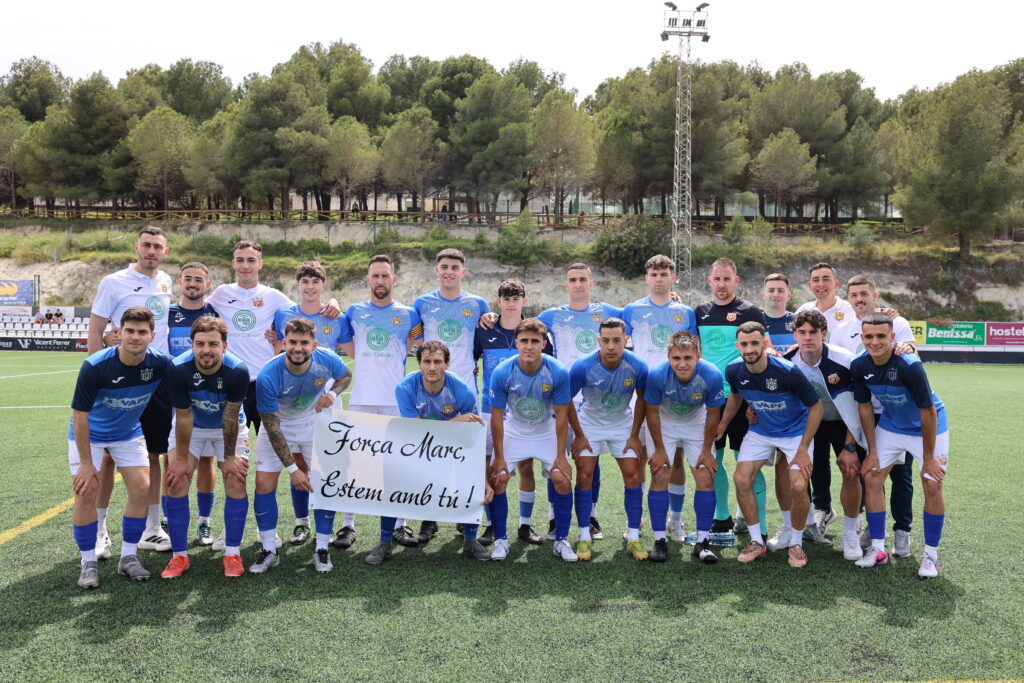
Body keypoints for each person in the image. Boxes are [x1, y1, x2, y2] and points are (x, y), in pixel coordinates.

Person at [69, 307, 173, 588]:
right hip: (90, 435)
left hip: (127, 433)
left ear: (152, 336)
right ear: (119, 332)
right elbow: (80, 416)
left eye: (142, 332)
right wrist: (87, 463)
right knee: (85, 491)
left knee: (142, 488)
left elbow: (187, 372)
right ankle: (88, 561)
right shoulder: (95, 366)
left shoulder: (161, 363)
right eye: (130, 331)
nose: (135, 337)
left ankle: (128, 557)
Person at [88, 226, 174, 557]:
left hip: (156, 379)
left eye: (158, 246)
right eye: (147, 245)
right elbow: (96, 328)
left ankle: (151, 529)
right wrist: (98, 373)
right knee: (108, 457)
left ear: (165, 251)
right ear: (136, 247)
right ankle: (99, 531)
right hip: (119, 379)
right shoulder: (113, 282)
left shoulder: (166, 281)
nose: (152, 251)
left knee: (154, 453)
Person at [716, 321, 822, 567]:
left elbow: (816, 407)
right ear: (737, 346)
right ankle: (756, 541)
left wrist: (803, 448)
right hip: (761, 431)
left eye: (755, 343)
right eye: (744, 344)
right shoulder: (733, 370)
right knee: (742, 479)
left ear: (764, 343)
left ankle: (796, 543)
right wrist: (722, 425)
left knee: (798, 486)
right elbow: (735, 395)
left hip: (795, 432)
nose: (749, 349)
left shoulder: (787, 371)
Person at [852, 313, 949, 579]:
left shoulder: (910, 365)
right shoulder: (859, 365)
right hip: (892, 426)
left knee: (932, 483)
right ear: (862, 338)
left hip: (928, 427)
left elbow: (928, 411)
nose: (874, 342)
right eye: (869, 336)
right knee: (872, 477)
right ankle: (877, 548)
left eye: (881, 336)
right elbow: (864, 407)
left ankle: (931, 556)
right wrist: (872, 452)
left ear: (892, 337)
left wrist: (928, 458)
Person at [250, 318, 351, 574]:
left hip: (312, 423)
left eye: (304, 343)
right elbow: (272, 428)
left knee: (324, 481)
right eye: (292, 342)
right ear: (284, 343)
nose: (298, 348)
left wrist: (332, 394)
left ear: (314, 345)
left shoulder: (326, 359)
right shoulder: (268, 375)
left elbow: (345, 375)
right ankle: (269, 549)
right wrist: (293, 469)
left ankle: (322, 547)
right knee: (263, 484)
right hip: (279, 426)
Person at [337, 254, 423, 550]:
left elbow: (418, 345)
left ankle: (400, 524)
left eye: (385, 275)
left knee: (397, 465)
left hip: (396, 401)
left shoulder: (409, 315)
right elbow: (349, 347)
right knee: (355, 465)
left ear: (393, 279)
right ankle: (348, 524)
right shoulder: (354, 312)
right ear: (368, 279)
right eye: (375, 276)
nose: (380, 281)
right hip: (362, 399)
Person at [380, 341, 491, 564]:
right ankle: (384, 543)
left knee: (471, 481)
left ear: (447, 364)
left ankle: (470, 540)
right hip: (416, 444)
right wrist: (455, 421)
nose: (432, 367)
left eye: (438, 361)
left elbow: (473, 434)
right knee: (393, 482)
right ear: (419, 363)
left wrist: (483, 477)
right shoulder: (405, 387)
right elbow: (417, 431)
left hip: (454, 443)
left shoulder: (461, 390)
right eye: (427, 361)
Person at [832, 274, 917, 556]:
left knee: (900, 476)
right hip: (861, 411)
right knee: (865, 472)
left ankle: (902, 531)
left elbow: (912, 352)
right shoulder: (841, 330)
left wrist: (908, 347)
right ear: (848, 298)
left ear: (874, 295)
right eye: (854, 295)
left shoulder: (897, 323)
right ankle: (870, 526)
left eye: (864, 294)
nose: (860, 299)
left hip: (896, 412)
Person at [536, 263, 622, 542]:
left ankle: (591, 516)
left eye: (583, 279)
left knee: (590, 460)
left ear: (591, 283)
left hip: (593, 401)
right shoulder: (552, 315)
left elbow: (633, 314)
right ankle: (554, 517)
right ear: (566, 284)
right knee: (555, 459)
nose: (578, 284)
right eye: (572, 279)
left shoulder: (607, 311)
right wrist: (490, 316)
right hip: (561, 399)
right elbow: (522, 324)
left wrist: (671, 297)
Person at [162, 316, 250, 578]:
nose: (206, 350)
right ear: (192, 345)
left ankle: (232, 553)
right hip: (193, 427)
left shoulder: (238, 370)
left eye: (213, 344)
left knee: (235, 477)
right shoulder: (178, 368)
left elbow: (230, 416)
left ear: (225, 345)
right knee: (176, 479)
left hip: (228, 427)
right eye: (200, 344)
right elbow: (184, 416)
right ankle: (179, 556)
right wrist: (180, 459)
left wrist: (230, 457)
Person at [775, 311, 867, 561]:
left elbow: (860, 404)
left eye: (813, 332)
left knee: (851, 469)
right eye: (802, 332)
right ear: (794, 335)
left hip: (843, 423)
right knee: (792, 467)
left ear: (824, 334)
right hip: (809, 424)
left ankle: (851, 533)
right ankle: (800, 525)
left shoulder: (845, 360)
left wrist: (850, 445)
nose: (807, 337)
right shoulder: (787, 362)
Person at [413, 247, 490, 542]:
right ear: (437, 270)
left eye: (454, 267)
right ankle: (428, 520)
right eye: (444, 266)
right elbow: (415, 340)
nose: (449, 271)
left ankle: (464, 516)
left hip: (465, 390)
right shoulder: (422, 303)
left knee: (466, 458)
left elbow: (486, 336)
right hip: (430, 389)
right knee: (429, 457)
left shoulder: (478, 304)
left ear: (463, 272)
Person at [620, 254, 698, 538]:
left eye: (664, 274)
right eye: (654, 275)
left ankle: (675, 520)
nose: (659, 279)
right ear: (646, 278)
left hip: (676, 395)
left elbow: (694, 353)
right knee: (640, 457)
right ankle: (638, 517)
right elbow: (619, 340)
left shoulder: (685, 312)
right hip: (641, 395)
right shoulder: (631, 310)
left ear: (672, 277)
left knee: (675, 459)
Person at [271, 260, 348, 545]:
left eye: (316, 282)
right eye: (305, 281)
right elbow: (276, 348)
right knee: (300, 462)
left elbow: (350, 353)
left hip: (328, 398)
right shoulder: (283, 314)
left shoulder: (336, 315)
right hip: (295, 399)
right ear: (298, 285)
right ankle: (302, 522)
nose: (310, 286)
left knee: (331, 462)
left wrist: (335, 303)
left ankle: (338, 526)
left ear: (323, 285)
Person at [695, 257, 772, 540]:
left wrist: (758, 399)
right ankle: (721, 518)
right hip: (709, 402)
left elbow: (765, 353)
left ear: (736, 281)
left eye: (727, 278)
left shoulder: (750, 312)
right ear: (709, 281)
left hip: (743, 401)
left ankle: (760, 528)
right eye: (717, 279)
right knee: (712, 462)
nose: (721, 284)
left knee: (748, 464)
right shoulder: (699, 313)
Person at [487, 319, 575, 562]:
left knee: (562, 478)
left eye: (535, 341)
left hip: (545, 430)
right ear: (516, 343)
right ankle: (500, 540)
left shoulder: (556, 370)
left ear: (543, 344)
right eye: (524, 340)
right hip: (514, 430)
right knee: (499, 478)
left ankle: (561, 540)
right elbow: (497, 417)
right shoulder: (503, 371)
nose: (529, 346)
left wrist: (561, 456)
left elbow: (562, 416)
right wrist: (499, 457)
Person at [474, 278, 552, 546]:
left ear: (524, 301)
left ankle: (525, 524)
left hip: (524, 412)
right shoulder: (483, 329)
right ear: (498, 302)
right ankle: (491, 525)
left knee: (526, 466)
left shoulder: (534, 331)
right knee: (490, 469)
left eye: (515, 298)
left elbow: (548, 367)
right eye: (506, 299)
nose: (510, 303)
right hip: (490, 409)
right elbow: (469, 360)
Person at [567, 318, 649, 561]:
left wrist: (634, 435)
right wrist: (578, 435)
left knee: (633, 475)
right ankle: (584, 536)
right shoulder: (582, 366)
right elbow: (565, 401)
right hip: (589, 424)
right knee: (584, 476)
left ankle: (633, 536)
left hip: (622, 425)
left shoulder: (637, 365)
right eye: (606, 340)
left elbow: (643, 399)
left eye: (616, 340)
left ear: (626, 340)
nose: (611, 346)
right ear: (598, 341)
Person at [643, 332, 725, 564]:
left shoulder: (711, 374)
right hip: (665, 423)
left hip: (696, 423)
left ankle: (703, 542)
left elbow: (713, 414)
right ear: (668, 356)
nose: (682, 364)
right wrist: (659, 450)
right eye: (676, 358)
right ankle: (660, 540)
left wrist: (706, 450)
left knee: (705, 476)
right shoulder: (658, 374)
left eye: (688, 358)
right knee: (660, 473)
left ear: (698, 356)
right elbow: (651, 413)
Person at [166, 262, 221, 547]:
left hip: (206, 394)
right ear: (180, 282)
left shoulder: (215, 313)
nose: (192, 283)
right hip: (173, 392)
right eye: (187, 278)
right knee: (171, 459)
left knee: (207, 460)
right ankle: (168, 518)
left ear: (207, 285)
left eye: (198, 279)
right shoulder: (167, 313)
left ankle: (204, 520)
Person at [795, 262, 856, 345]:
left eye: (826, 279)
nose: (820, 284)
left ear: (836, 284)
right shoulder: (803, 310)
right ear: (810, 285)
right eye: (816, 280)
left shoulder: (851, 310)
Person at [762, 274, 795, 355]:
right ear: (763, 295)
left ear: (789, 295)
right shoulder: (755, 322)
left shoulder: (798, 321)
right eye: (771, 290)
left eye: (780, 291)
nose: (775, 294)